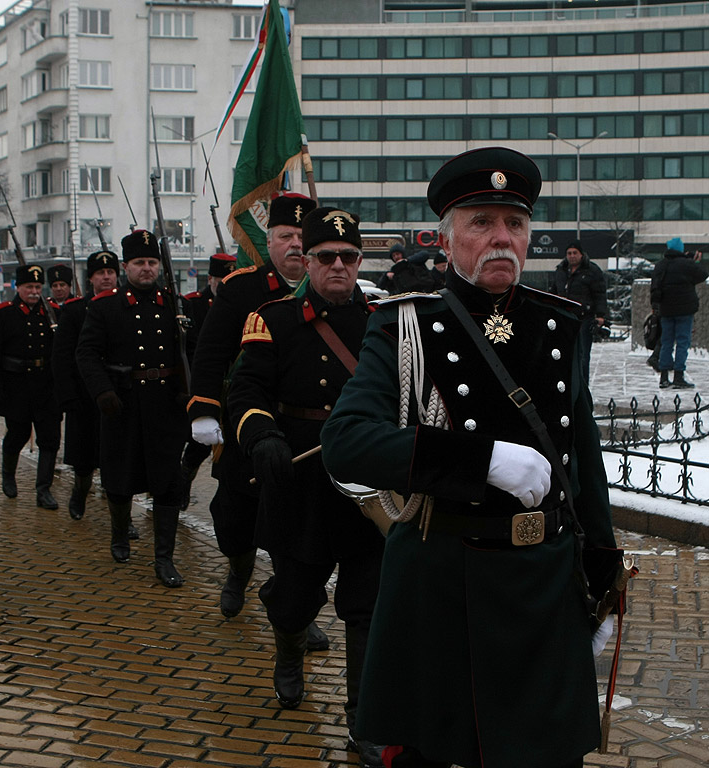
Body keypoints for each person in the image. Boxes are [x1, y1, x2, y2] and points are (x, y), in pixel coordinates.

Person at [322, 147, 619, 768]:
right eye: (481, 223)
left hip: (543, 580)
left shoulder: (560, 324)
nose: (500, 239)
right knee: (441, 753)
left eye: (514, 224)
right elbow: (346, 439)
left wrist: (600, 566)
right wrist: (478, 459)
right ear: (448, 236)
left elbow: (582, 453)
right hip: (444, 578)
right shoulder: (406, 325)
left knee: (546, 754)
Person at [229, 207, 385, 767]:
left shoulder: (386, 322)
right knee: (295, 598)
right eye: (326, 257)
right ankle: (289, 648)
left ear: (359, 262)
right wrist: (261, 433)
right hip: (298, 478)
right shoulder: (274, 318)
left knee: (366, 606)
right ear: (308, 261)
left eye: (348, 257)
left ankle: (363, 719)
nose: (337, 266)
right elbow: (245, 388)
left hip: (365, 485)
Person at [187, 192, 330, 649]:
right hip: (246, 422)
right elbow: (210, 354)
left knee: (299, 527)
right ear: (267, 242)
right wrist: (205, 410)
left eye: (302, 237)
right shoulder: (241, 288)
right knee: (235, 515)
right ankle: (238, 567)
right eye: (285, 236)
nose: (294, 245)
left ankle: (297, 610)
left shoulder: (327, 284)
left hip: (304, 432)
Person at [75, 230, 187, 587]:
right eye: (139, 263)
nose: (146, 269)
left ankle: (164, 558)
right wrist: (102, 392)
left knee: (167, 480)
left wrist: (190, 391)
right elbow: (87, 353)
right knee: (121, 477)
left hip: (165, 403)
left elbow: (190, 351)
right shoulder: (105, 306)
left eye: (152, 262)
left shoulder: (173, 304)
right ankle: (120, 534)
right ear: (125, 266)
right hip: (122, 404)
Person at [0, 264, 62, 510]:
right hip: (16, 386)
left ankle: (43, 489)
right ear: (19, 287)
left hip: (46, 385)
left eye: (38, 287)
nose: (34, 292)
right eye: (29, 287)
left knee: (50, 439)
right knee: (17, 435)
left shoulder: (52, 311)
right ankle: (8, 475)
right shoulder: (4, 313)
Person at [52, 250, 122, 521]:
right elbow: (62, 357)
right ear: (90, 278)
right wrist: (67, 397)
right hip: (84, 396)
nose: (106, 277)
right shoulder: (74, 310)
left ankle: (120, 516)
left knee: (116, 459)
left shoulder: (127, 306)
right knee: (84, 460)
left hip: (117, 394)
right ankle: (79, 492)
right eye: (100, 273)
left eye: (111, 272)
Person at [178, 251, 238, 511]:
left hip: (232, 383)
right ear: (211, 279)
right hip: (203, 384)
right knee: (198, 445)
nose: (224, 283)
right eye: (220, 279)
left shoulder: (238, 302)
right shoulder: (194, 303)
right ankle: (183, 482)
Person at [650, 237, 708, 389]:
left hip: (666, 310)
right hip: (685, 310)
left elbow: (654, 285)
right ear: (681, 249)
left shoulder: (661, 265)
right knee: (682, 342)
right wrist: (695, 261)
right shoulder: (687, 264)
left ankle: (663, 377)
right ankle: (678, 376)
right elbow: (702, 275)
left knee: (666, 342)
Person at [552, 240, 607, 383]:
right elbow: (553, 291)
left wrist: (600, 315)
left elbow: (599, 294)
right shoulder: (561, 270)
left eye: (575, 253)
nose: (572, 256)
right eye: (569, 253)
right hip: (564, 317)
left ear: (581, 254)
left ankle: (583, 384)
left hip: (584, 317)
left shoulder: (592, 271)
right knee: (564, 353)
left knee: (582, 354)